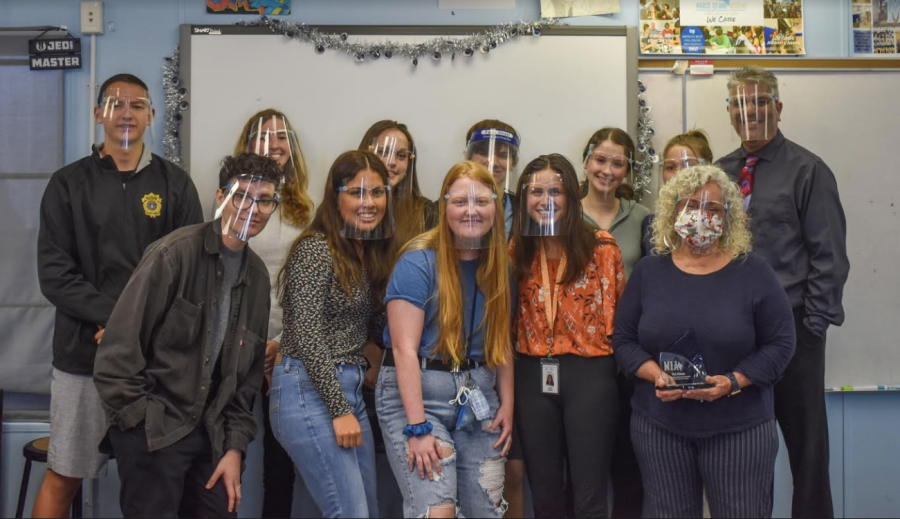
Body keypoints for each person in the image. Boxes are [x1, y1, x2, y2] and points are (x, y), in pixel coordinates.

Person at [33, 73, 203, 518]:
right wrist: (115, 320)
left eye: (136, 104)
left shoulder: (176, 185)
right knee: (65, 474)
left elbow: (190, 274)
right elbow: (55, 274)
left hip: (154, 366)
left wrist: (129, 330)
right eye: (115, 104)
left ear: (150, 115)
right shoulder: (67, 184)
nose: (125, 113)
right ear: (98, 115)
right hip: (81, 358)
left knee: (151, 486)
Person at [93, 153, 282, 517]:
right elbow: (116, 355)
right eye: (242, 195)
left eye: (265, 200)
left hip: (212, 436)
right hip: (155, 427)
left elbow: (244, 385)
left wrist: (234, 449)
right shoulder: (173, 254)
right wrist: (141, 426)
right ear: (220, 196)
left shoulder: (258, 278)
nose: (253, 208)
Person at [613, 164, 796, 518]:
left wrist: (732, 382)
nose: (701, 215)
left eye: (713, 208)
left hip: (739, 429)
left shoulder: (754, 272)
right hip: (660, 427)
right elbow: (623, 339)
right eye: (691, 205)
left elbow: (781, 344)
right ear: (674, 212)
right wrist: (655, 374)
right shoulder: (650, 272)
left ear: (729, 217)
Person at [716, 66, 850, 519]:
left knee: (807, 451)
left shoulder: (808, 170)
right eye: (739, 104)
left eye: (758, 103)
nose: (749, 112)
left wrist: (809, 329)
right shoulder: (720, 173)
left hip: (794, 330)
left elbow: (829, 257)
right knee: (745, 454)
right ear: (730, 112)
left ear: (777, 107)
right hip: (734, 333)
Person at [377, 161, 515, 518]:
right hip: (420, 397)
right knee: (438, 512)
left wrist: (508, 405)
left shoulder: (500, 266)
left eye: (481, 201)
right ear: (444, 207)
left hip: (478, 398)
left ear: (496, 208)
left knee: (488, 510)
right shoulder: (417, 262)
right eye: (460, 201)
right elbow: (403, 349)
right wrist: (417, 427)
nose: (471, 210)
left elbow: (501, 344)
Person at [273, 150, 395, 518]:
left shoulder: (365, 253)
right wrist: (339, 409)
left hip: (351, 388)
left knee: (366, 511)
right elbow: (309, 335)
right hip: (308, 390)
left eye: (377, 192)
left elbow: (370, 328)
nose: (369, 203)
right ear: (335, 196)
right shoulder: (315, 249)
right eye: (356, 192)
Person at [511, 154, 625, 518]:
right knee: (544, 494)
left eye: (556, 191)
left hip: (589, 375)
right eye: (536, 191)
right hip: (531, 374)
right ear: (523, 198)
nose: (546, 200)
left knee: (590, 495)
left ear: (571, 197)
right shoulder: (515, 251)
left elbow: (618, 322)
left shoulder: (601, 247)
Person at [232, 108, 312, 518]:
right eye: (264, 136)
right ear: (248, 147)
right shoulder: (231, 206)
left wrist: (282, 343)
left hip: (285, 352)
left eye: (282, 136)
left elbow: (311, 289)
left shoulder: (306, 211)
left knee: (280, 464)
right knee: (225, 451)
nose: (274, 144)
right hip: (235, 349)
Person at [579, 126, 650, 519]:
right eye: (600, 159)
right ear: (587, 160)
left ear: (628, 170)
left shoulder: (641, 218)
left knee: (628, 463)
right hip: (580, 359)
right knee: (584, 465)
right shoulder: (563, 211)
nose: (607, 170)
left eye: (617, 163)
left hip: (627, 355)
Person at [641, 130, 714, 257]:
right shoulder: (651, 225)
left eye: (689, 166)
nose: (679, 174)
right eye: (670, 167)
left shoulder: (718, 221)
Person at [464, 119, 521, 241]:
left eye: (502, 155)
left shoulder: (524, 210)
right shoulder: (442, 208)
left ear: (514, 163)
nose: (493, 162)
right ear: (467, 157)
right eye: (484, 153)